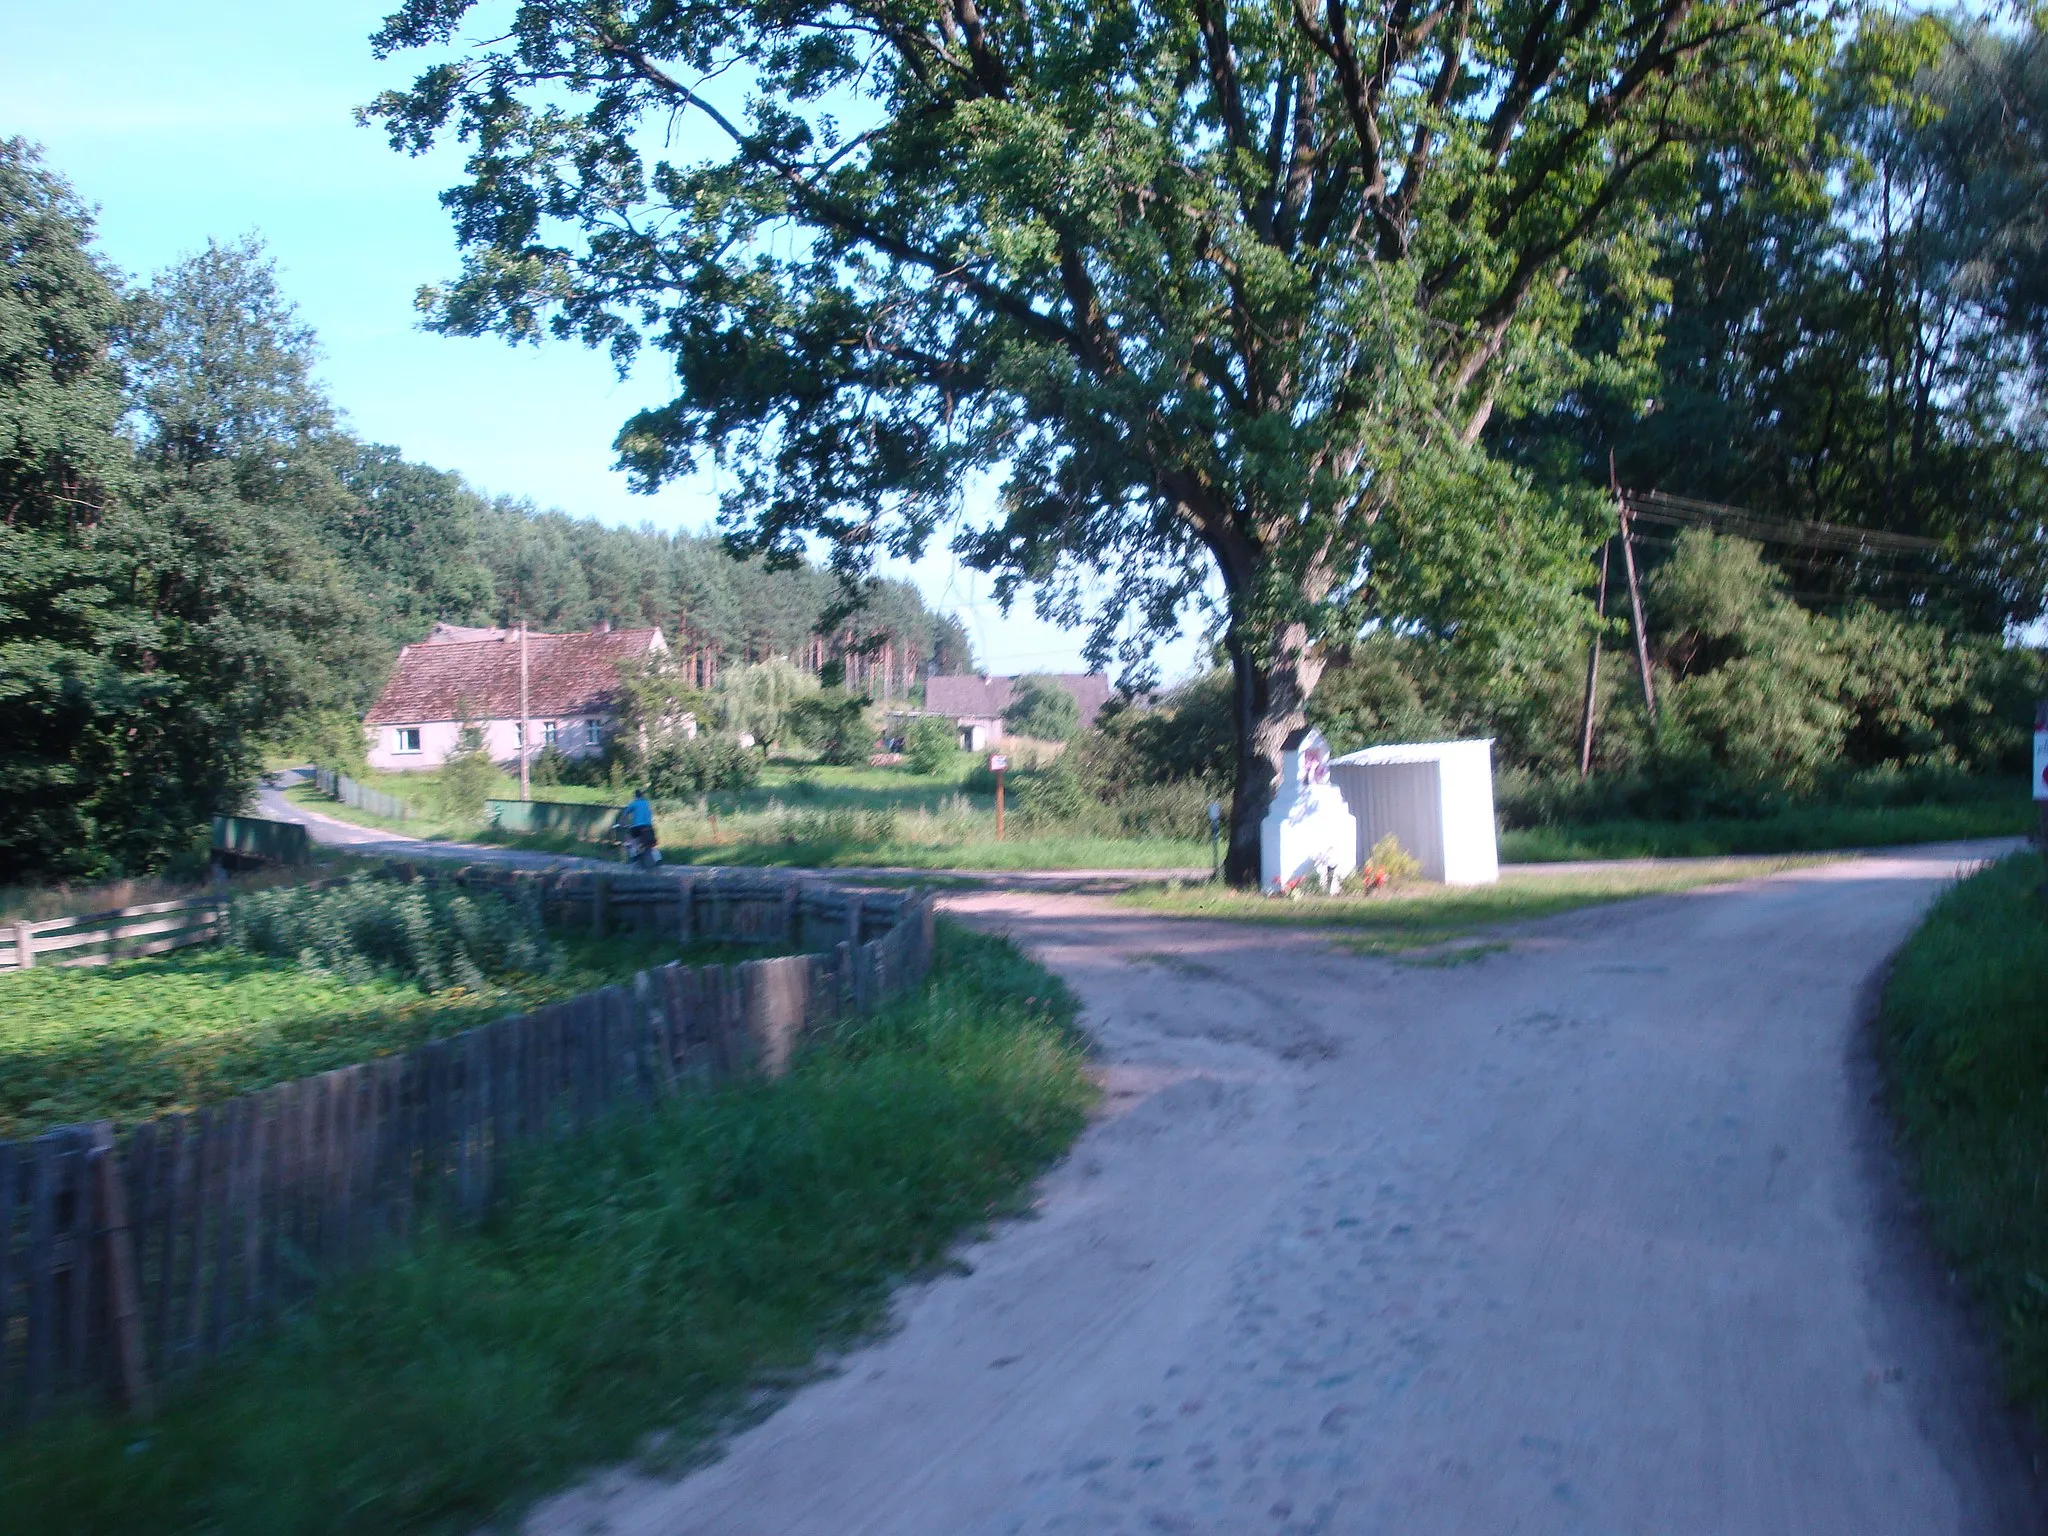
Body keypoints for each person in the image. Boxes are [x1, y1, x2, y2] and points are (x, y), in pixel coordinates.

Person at [624, 788, 657, 862]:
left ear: (635, 796)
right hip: (648, 826)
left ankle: (634, 855)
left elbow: (625, 813)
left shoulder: (634, 803)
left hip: (637, 826)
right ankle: (657, 858)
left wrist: (623, 822)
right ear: (642, 795)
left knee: (628, 838)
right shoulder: (647, 803)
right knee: (652, 843)